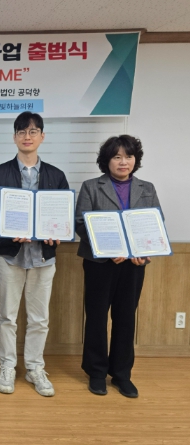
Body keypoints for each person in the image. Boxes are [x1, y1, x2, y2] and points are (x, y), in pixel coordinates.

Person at [0, 111, 69, 397]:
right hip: (10, 256)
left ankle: (34, 368)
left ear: (42, 136)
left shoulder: (56, 175)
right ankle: (7, 366)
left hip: (43, 256)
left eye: (32, 132)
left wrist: (58, 231)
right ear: (14, 137)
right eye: (21, 132)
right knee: (7, 316)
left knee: (39, 318)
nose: (27, 137)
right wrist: (8, 229)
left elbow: (63, 212)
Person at [75, 135, 160, 398]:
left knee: (125, 318)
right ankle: (97, 372)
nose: (124, 162)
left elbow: (154, 223)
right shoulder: (91, 186)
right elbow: (80, 223)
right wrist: (108, 249)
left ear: (136, 160)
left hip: (134, 265)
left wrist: (144, 253)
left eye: (129, 156)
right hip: (100, 264)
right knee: (97, 317)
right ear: (107, 161)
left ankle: (122, 374)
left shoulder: (147, 188)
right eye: (117, 157)